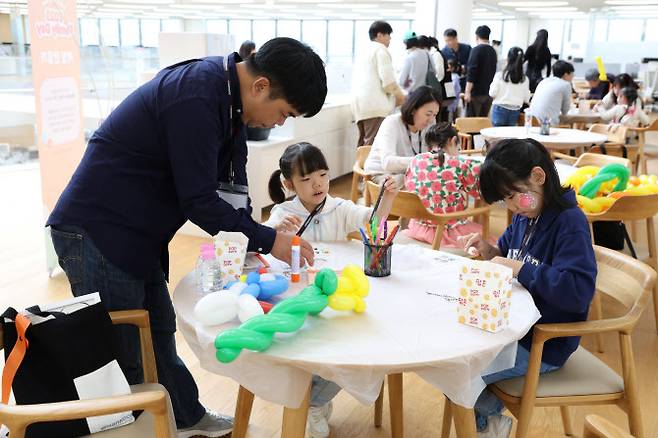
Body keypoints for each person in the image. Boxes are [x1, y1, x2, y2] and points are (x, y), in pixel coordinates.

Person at [46, 38, 327, 437]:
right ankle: (147, 429)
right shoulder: (196, 96)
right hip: (99, 230)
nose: (280, 123)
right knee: (127, 351)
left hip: (136, 232)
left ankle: (185, 419)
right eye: (284, 113)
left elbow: (232, 185)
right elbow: (198, 200)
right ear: (262, 86)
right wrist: (267, 239)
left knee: (159, 329)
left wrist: (250, 239)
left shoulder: (227, 99)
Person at [459, 138, 597, 437]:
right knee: (456, 356)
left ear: (538, 176)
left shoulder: (569, 223)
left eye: (513, 196)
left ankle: (488, 424)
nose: (510, 207)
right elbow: (505, 255)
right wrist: (488, 251)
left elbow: (578, 291)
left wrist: (519, 268)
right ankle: (488, 421)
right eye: (504, 200)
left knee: (461, 370)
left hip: (543, 344)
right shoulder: (526, 217)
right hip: (514, 330)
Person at [263, 142, 398, 438]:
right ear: (288, 183)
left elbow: (374, 223)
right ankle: (312, 401)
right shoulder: (282, 212)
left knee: (353, 345)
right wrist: (277, 232)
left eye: (323, 174)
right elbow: (265, 252)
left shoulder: (338, 207)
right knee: (306, 348)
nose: (318, 183)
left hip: (335, 299)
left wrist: (387, 196)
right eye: (307, 178)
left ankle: (314, 400)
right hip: (299, 299)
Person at [403, 123, 492, 248]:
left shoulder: (415, 160)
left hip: (417, 227)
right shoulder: (460, 164)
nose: (458, 152)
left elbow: (409, 186)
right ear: (453, 140)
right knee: (492, 243)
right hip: (449, 231)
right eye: (458, 148)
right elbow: (480, 193)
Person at [364, 86, 441, 185]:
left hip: (410, 173)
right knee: (406, 183)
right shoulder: (392, 122)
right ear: (413, 109)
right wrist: (422, 161)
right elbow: (388, 162)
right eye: (428, 114)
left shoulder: (429, 124)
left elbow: (434, 151)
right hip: (382, 173)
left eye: (435, 115)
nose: (431, 120)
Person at [351, 20, 405, 147]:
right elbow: (388, 82)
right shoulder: (381, 50)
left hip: (359, 105)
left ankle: (358, 167)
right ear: (380, 35)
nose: (390, 39)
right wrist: (400, 96)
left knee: (363, 143)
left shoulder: (363, 51)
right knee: (372, 144)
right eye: (388, 35)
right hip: (375, 106)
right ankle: (367, 168)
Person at [489, 47, 531, 127]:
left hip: (499, 108)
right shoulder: (525, 79)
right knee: (509, 137)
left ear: (508, 59)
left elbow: (492, 93)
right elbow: (526, 99)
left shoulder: (500, 75)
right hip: (515, 110)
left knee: (497, 137)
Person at [464, 25, 498, 117]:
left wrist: (467, 92)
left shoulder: (476, 50)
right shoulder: (493, 51)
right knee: (482, 122)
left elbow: (472, 72)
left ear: (476, 37)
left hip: (476, 94)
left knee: (471, 122)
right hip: (488, 93)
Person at [528, 60, 574, 125]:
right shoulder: (565, 85)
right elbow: (565, 111)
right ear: (566, 74)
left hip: (531, 120)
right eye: (572, 74)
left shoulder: (544, 81)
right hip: (546, 124)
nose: (573, 77)